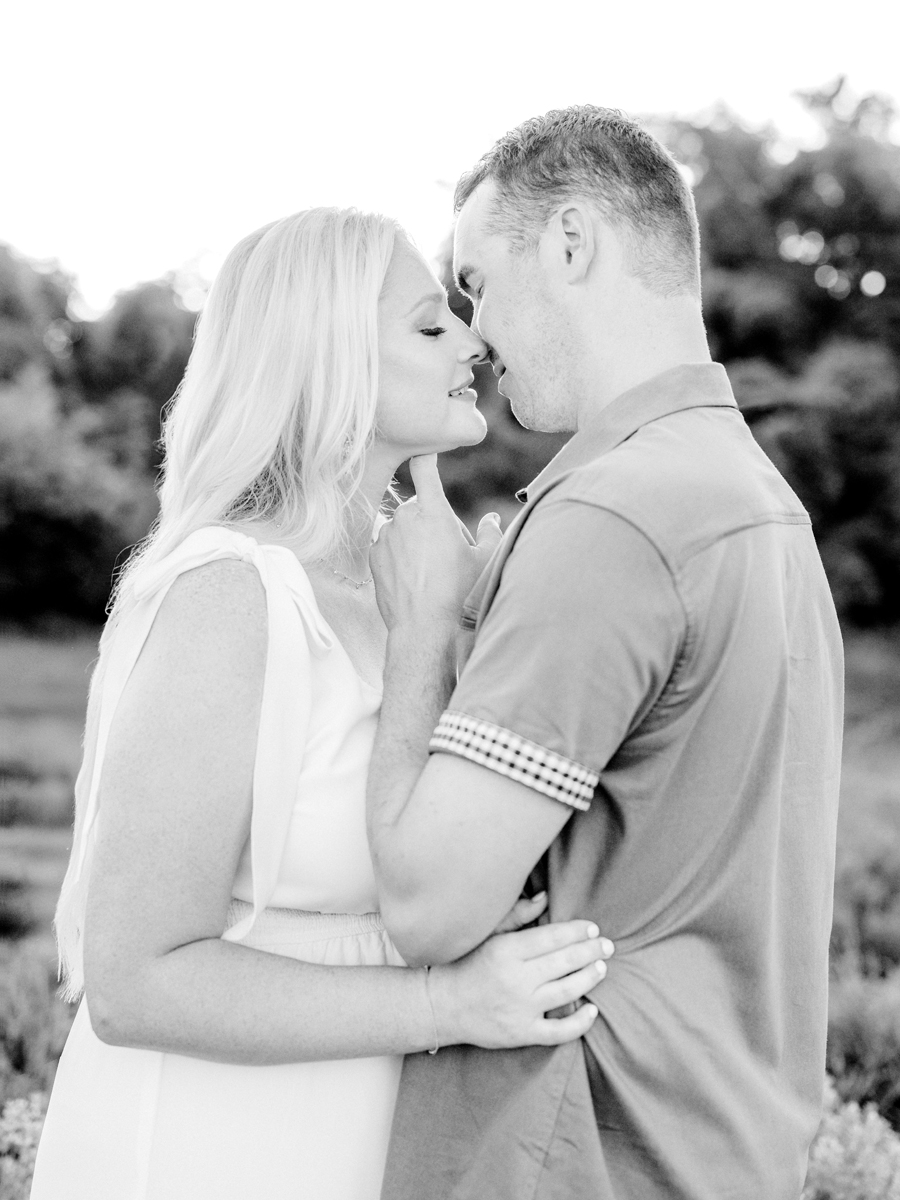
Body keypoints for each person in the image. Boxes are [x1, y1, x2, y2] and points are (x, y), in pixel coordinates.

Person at [29, 207, 616, 1200]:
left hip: (355, 1145)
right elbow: (135, 981)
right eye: (430, 326)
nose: (472, 340)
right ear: (327, 356)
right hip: (202, 1151)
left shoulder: (401, 593)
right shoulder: (232, 592)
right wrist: (449, 1004)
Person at [365, 106, 844, 1199]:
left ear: (572, 243)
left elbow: (432, 903)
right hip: (718, 1143)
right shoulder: (756, 503)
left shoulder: (613, 518)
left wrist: (425, 634)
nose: (472, 335)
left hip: (578, 1145)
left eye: (477, 283)